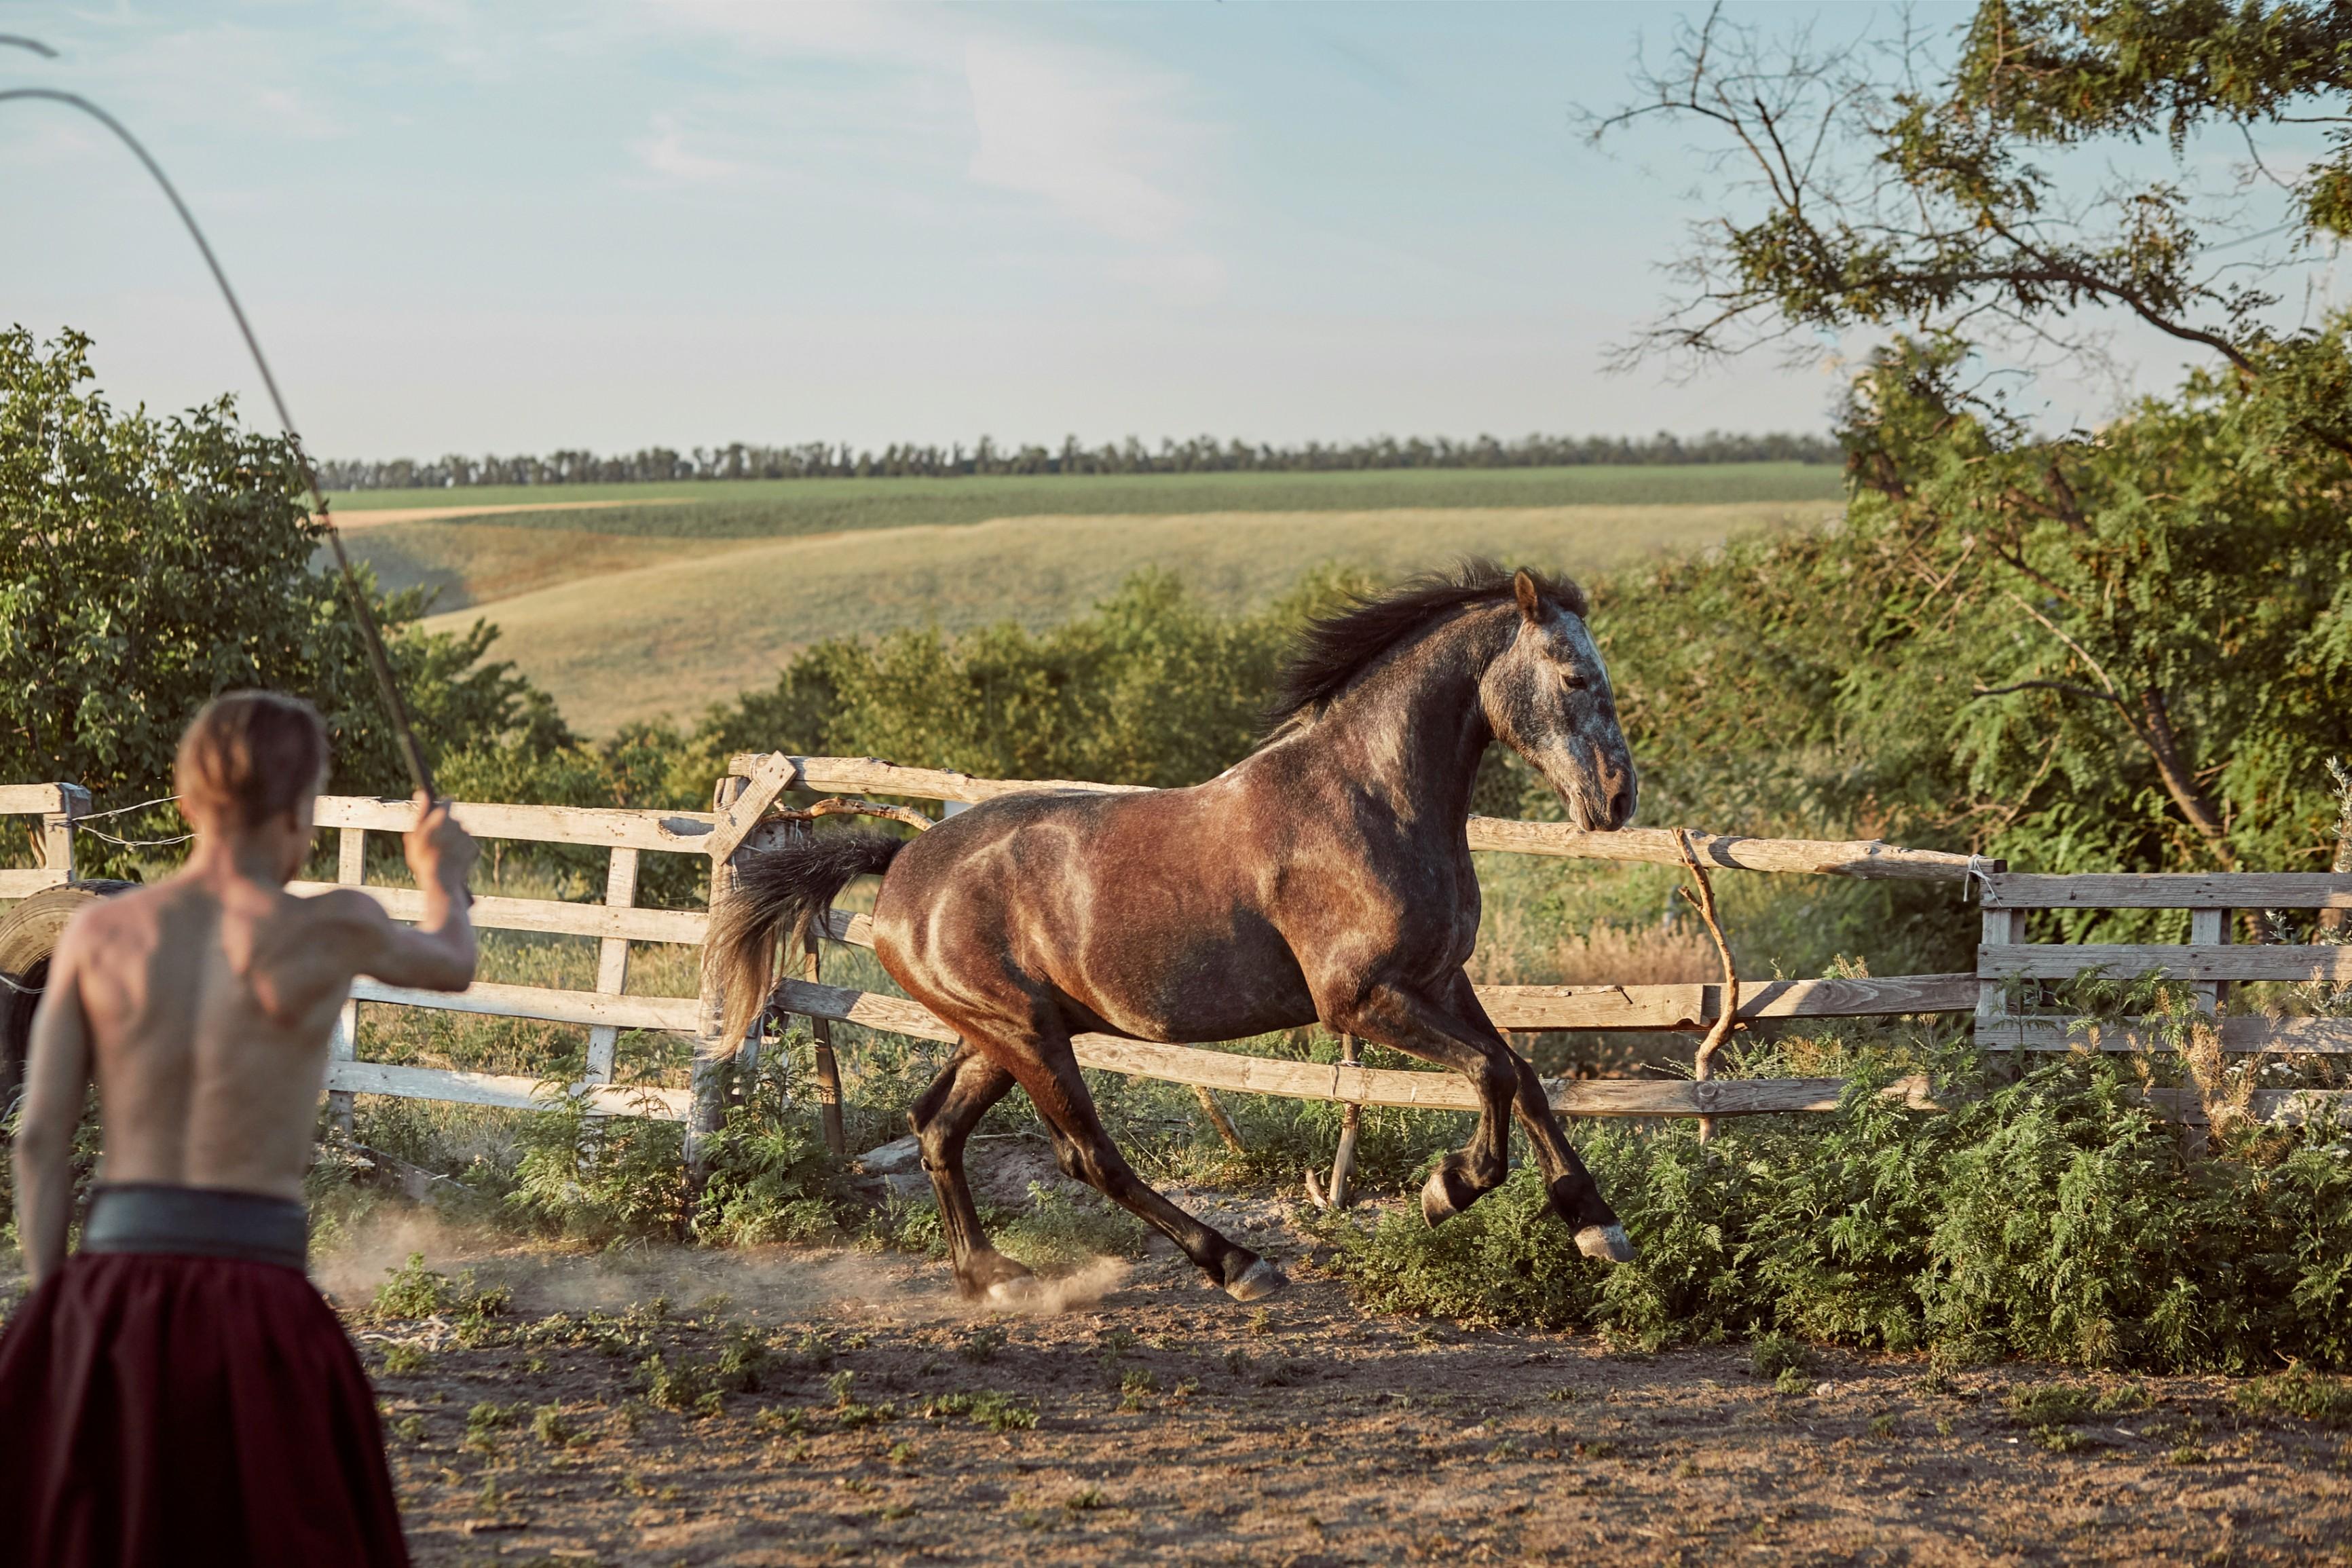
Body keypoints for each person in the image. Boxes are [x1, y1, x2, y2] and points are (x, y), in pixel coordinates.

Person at [0, 691, 479, 1568]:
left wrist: (57, 1300)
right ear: (300, 813)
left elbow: (40, 1137)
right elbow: (454, 960)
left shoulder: (100, 930)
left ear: (184, 804)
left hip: (112, 1289)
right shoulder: (333, 925)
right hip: (257, 1299)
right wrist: (440, 870)